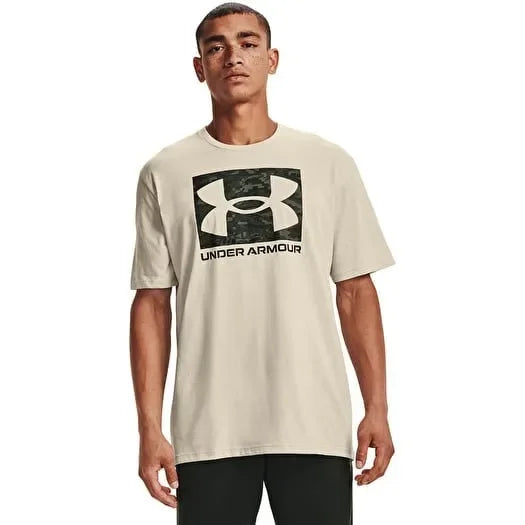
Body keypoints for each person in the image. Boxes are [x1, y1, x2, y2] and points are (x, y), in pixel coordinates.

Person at [129, 3, 396, 523]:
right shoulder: (165, 171)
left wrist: (378, 408)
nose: (234, 56)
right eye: (217, 47)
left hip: (314, 423)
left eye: (248, 44)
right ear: (199, 67)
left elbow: (355, 291)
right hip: (209, 432)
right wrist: (148, 428)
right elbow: (152, 303)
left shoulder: (327, 162)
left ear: (272, 59)